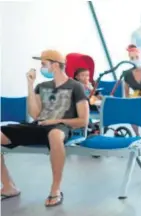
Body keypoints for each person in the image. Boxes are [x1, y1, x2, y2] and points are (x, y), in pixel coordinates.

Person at [1, 50, 89, 207]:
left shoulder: (76, 87)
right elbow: (35, 114)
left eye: (43, 64)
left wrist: (56, 120)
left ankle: (55, 189)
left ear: (55, 65)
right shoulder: (42, 86)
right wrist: (30, 84)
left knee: (55, 134)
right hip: (40, 125)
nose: (41, 67)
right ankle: (8, 186)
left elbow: (83, 120)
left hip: (61, 126)